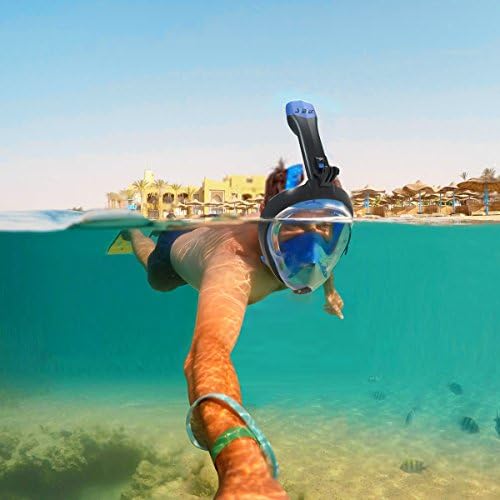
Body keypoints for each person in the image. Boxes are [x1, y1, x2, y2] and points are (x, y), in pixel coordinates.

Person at [124, 101, 353, 499]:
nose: (314, 242)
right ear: (267, 220)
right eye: (297, 225)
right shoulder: (234, 263)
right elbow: (205, 356)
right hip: (177, 251)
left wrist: (330, 291)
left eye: (328, 226)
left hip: (213, 234)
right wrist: (243, 467)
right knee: (154, 275)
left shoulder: (310, 247)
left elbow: (323, 259)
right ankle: (133, 232)